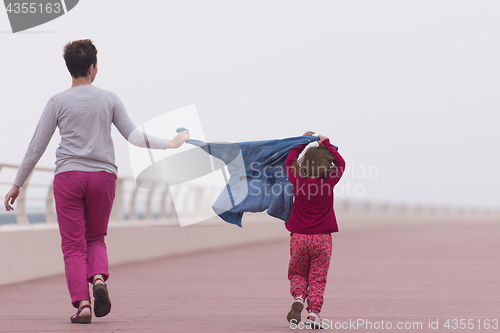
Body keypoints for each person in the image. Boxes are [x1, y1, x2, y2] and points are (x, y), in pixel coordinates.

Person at [3, 39, 190, 324]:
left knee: (73, 246)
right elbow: (134, 137)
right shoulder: (109, 98)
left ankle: (83, 305)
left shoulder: (57, 102)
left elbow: (36, 146)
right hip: (103, 177)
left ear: (71, 69)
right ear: (93, 68)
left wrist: (18, 183)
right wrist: (172, 143)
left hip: (69, 177)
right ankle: (99, 278)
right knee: (95, 238)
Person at [284, 131, 345, 329]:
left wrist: (301, 143)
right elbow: (342, 163)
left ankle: (299, 298)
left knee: (298, 273)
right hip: (322, 239)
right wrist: (326, 143)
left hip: (300, 238)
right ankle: (313, 315)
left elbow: (289, 162)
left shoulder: (298, 182)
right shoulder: (329, 183)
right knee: (317, 278)